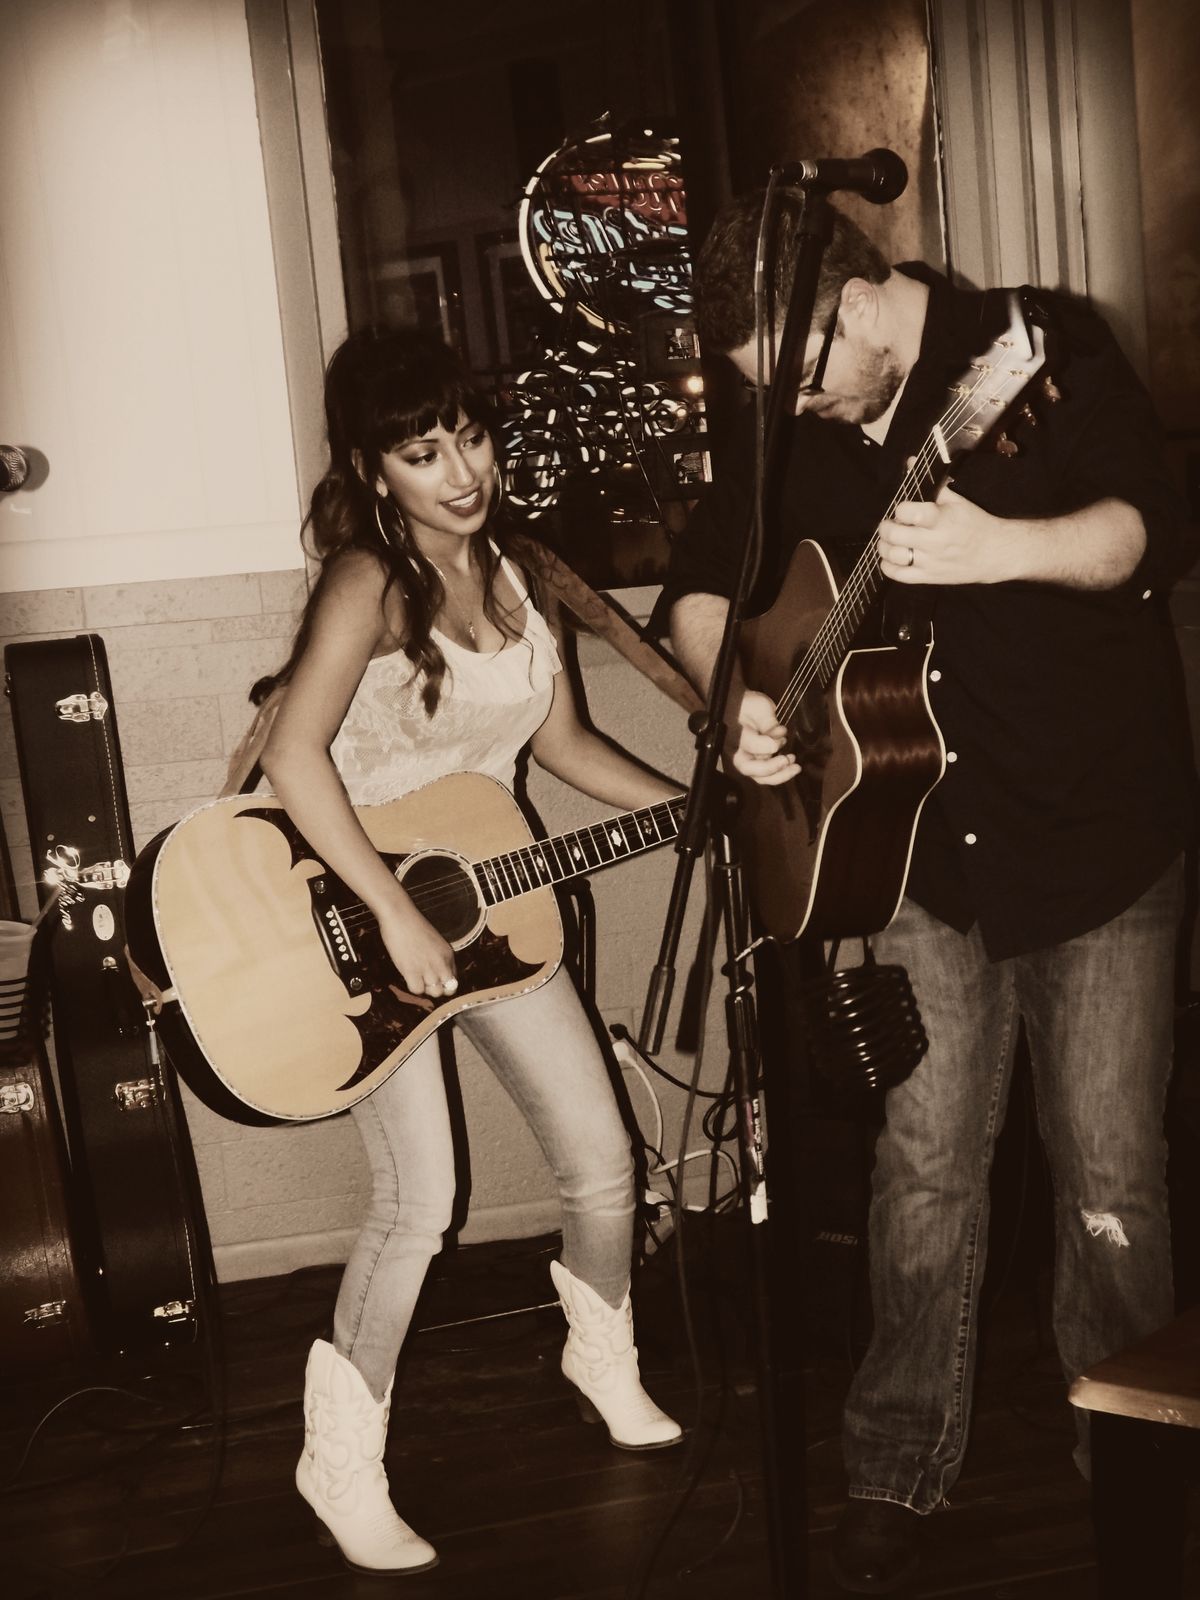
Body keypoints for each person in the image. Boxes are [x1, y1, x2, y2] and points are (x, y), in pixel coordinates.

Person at [663, 191, 1195, 1593]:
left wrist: (998, 548)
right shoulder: (794, 416)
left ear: (857, 301)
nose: (795, 407)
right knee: (922, 1170)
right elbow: (700, 588)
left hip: (1095, 843)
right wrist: (738, 703)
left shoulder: (1039, 347)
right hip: (911, 857)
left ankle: (1134, 1473)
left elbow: (1149, 532)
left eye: (802, 375)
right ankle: (895, 1462)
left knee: (1111, 1183)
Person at [256, 327, 682, 1577]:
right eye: (423, 452)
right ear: (371, 468)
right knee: (421, 1201)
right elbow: (291, 753)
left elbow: (563, 746)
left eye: (473, 438)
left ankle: (600, 1358)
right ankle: (339, 1461)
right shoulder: (366, 581)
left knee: (603, 1160)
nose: (462, 473)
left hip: (493, 908)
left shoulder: (518, 574)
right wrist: (390, 908)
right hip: (357, 923)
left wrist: (688, 805)